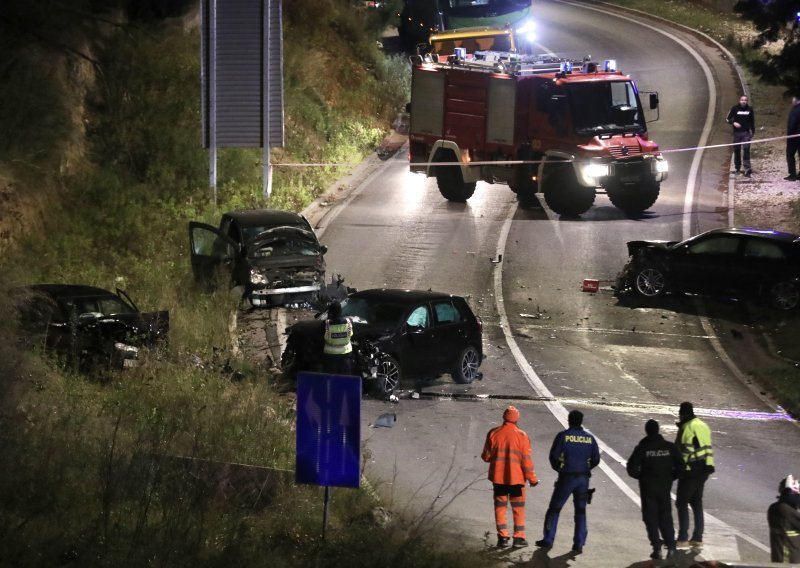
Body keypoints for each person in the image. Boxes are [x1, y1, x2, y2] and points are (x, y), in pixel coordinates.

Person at [535, 410, 600, 554]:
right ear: (581, 421)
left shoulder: (563, 436)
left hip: (567, 478)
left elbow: (553, 457)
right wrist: (585, 468)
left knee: (554, 509)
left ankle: (548, 539)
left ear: (569, 420)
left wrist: (560, 469)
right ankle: (579, 543)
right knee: (580, 511)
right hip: (583, 479)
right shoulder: (590, 438)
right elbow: (596, 459)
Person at [481, 405, 539, 548]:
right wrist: (532, 479)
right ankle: (518, 539)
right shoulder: (522, 436)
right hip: (517, 480)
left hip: (499, 479)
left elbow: (486, 457)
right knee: (518, 509)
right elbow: (526, 461)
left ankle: (503, 538)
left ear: (503, 417)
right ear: (517, 419)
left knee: (500, 508)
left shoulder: (493, 433)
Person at [626, 419, 683, 560]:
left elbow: (631, 468)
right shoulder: (670, 447)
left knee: (650, 518)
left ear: (647, 431)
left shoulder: (643, 448)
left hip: (648, 488)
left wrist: (643, 477)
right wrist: (670, 478)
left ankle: (656, 547)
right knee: (666, 517)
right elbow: (681, 467)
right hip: (664, 487)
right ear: (658, 430)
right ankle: (671, 547)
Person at [674, 401, 715, 549]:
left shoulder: (687, 428)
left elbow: (683, 452)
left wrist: (678, 470)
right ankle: (698, 537)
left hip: (690, 470)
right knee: (697, 502)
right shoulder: (703, 425)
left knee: (681, 502)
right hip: (705, 468)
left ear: (682, 414)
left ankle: (683, 537)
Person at [768, 474, 800, 563]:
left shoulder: (780, 507)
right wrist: (787, 491)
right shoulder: (782, 509)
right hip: (787, 560)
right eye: (795, 487)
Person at [726, 94, 755, 177]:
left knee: (746, 150)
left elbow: (752, 121)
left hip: (746, 133)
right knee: (737, 150)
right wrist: (733, 123)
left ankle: (747, 168)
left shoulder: (750, 109)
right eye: (742, 100)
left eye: (745, 100)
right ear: (739, 100)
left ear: (747, 101)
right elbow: (727, 119)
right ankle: (737, 168)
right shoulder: (734, 108)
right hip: (737, 134)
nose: (744, 101)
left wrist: (752, 132)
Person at [321, 300, 353, 374]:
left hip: (331, 356)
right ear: (341, 311)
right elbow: (350, 334)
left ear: (330, 312)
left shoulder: (326, 324)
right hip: (346, 354)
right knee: (346, 378)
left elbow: (321, 336)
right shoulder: (349, 322)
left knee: (331, 379)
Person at [785, 95, 800, 181]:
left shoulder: (795, 110)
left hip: (794, 136)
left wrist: (789, 135)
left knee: (790, 154)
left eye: (793, 98)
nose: (792, 100)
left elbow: (792, 124)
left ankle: (792, 174)